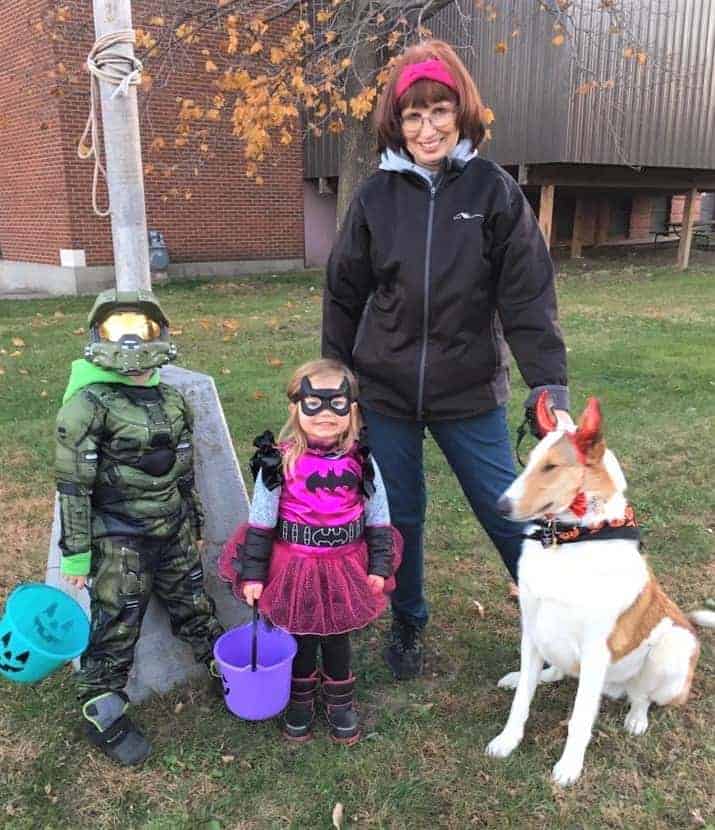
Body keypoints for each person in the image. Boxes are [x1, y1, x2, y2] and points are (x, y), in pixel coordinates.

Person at [322, 40, 570, 681]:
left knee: (507, 505)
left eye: (438, 111)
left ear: (461, 114)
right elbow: (345, 291)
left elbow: (528, 299)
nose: (426, 127)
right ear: (396, 123)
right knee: (398, 514)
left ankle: (561, 617)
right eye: (412, 115)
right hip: (386, 391)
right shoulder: (377, 196)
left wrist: (549, 385)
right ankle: (407, 622)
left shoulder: (494, 192)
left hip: (469, 392)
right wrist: (337, 378)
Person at [56, 288, 223, 766]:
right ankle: (101, 704)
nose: (130, 343)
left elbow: (185, 470)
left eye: (142, 328)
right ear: (97, 337)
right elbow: (74, 485)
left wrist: (193, 522)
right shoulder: (86, 404)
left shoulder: (172, 400)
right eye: (115, 329)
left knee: (193, 599)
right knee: (116, 619)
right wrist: (77, 555)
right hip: (118, 535)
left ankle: (222, 665)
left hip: (170, 526)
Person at [219, 358, 401, 744]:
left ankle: (340, 701)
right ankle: (299, 697)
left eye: (336, 404)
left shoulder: (362, 459)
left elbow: (379, 516)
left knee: (337, 635)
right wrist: (253, 573)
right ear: (295, 409)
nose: (324, 414)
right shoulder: (278, 460)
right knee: (298, 632)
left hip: (344, 564)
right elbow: (262, 520)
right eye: (313, 404)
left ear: (351, 410)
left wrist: (380, 564)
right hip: (294, 564)